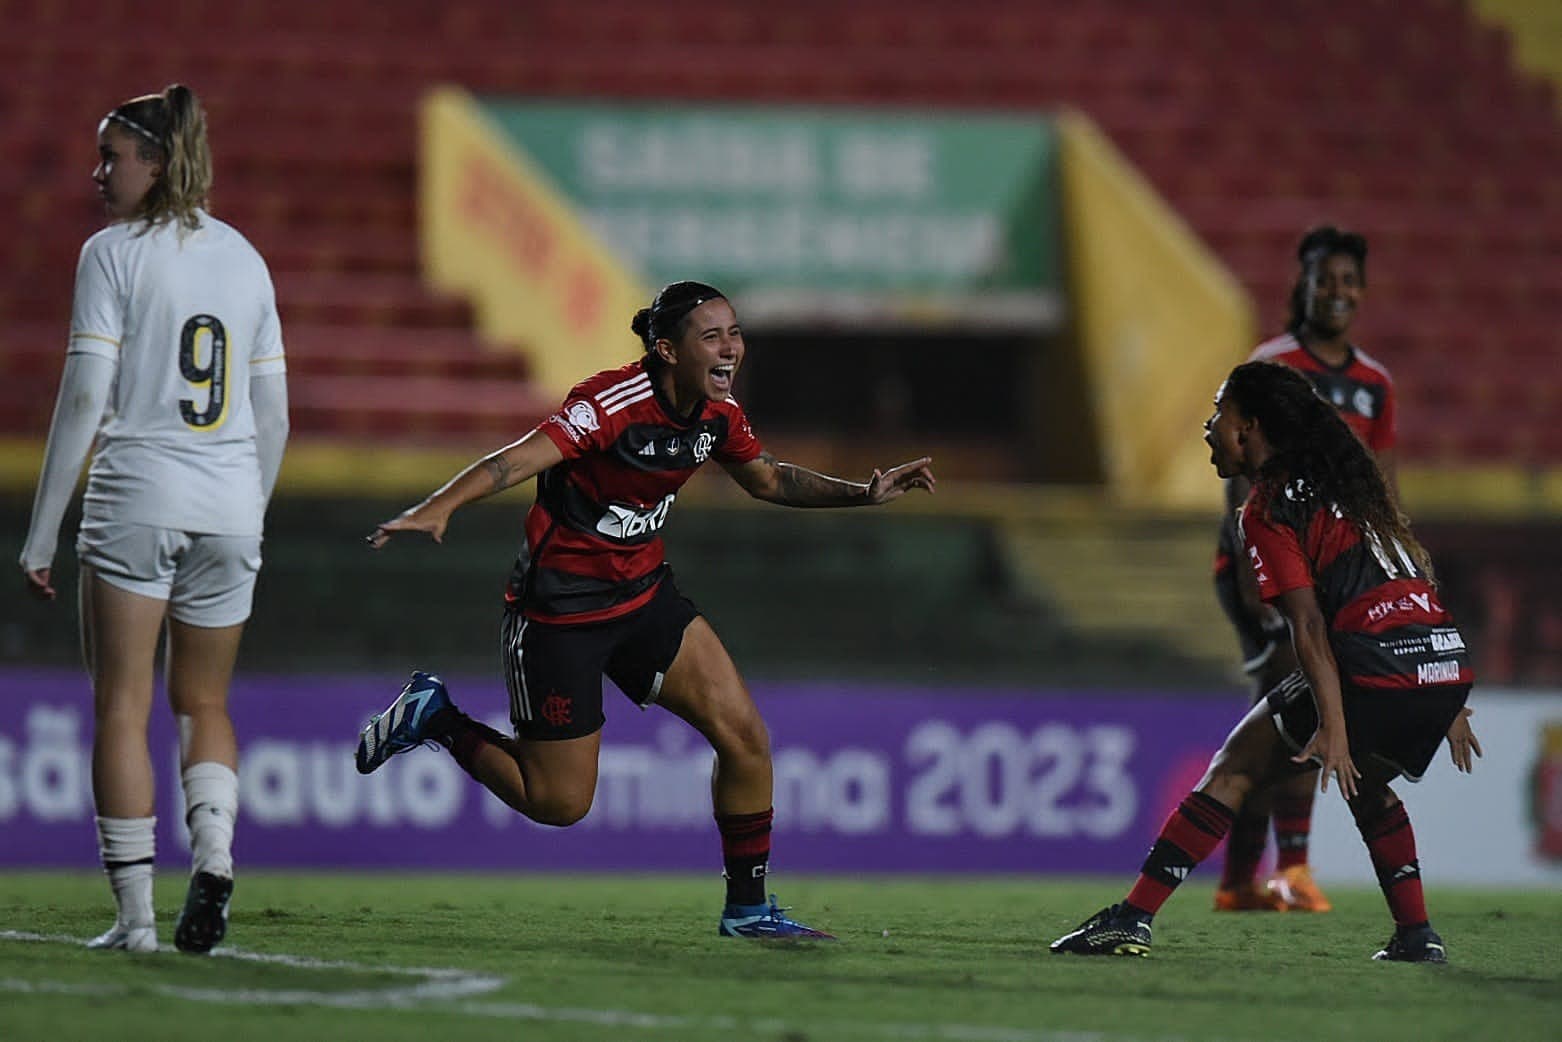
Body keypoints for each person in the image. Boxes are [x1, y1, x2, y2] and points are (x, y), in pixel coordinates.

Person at [354, 280, 935, 939]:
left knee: (745, 737)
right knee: (559, 803)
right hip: (560, 614)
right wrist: (440, 507)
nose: (731, 348)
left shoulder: (718, 415)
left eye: (735, 332)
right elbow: (520, 458)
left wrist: (862, 493)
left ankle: (748, 909)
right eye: (712, 336)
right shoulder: (611, 402)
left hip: (643, 597)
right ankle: (436, 716)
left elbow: (767, 477)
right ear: (666, 348)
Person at [1053, 360, 1479, 962]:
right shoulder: (1350, 487)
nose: (1208, 427)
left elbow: (1306, 627)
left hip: (1377, 665)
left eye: (1218, 413)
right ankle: (1416, 934)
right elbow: (1410, 582)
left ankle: (1132, 918)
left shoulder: (1269, 508)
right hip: (1440, 662)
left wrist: (1333, 724)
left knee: (1235, 768)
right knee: (1371, 784)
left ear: (1249, 427)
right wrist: (1449, 702)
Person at [19, 85, 290, 954]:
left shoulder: (111, 255)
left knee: (120, 706)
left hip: (138, 494)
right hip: (230, 507)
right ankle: (214, 856)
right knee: (204, 700)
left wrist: (41, 527)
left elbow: (87, 393)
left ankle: (136, 920)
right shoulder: (246, 258)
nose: (99, 173)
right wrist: (250, 507)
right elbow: (273, 415)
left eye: (112, 156)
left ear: (157, 162)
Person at [1211, 225, 1397, 914]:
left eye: (1350, 279)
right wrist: (1254, 575)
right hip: (1263, 561)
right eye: (1326, 278)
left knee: (1276, 718)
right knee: (1299, 706)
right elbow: (1238, 474)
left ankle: (1237, 882)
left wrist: (1390, 566)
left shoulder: (1375, 384)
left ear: (1363, 290)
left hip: (1329, 571)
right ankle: (1291, 868)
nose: (1338, 291)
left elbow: (1382, 483)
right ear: (1305, 284)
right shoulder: (1273, 365)